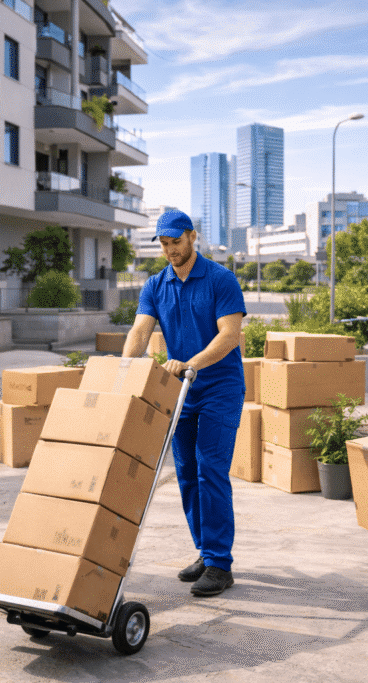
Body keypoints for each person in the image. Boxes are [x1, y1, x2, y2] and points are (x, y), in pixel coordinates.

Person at [121, 210, 246, 597]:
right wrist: (126, 367)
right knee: (187, 472)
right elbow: (141, 330)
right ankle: (205, 552)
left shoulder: (220, 280)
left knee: (211, 469)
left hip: (219, 387)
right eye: (164, 243)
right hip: (183, 392)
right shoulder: (156, 285)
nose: (170, 249)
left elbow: (230, 335)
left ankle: (220, 564)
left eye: (176, 241)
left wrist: (192, 363)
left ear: (193, 237)